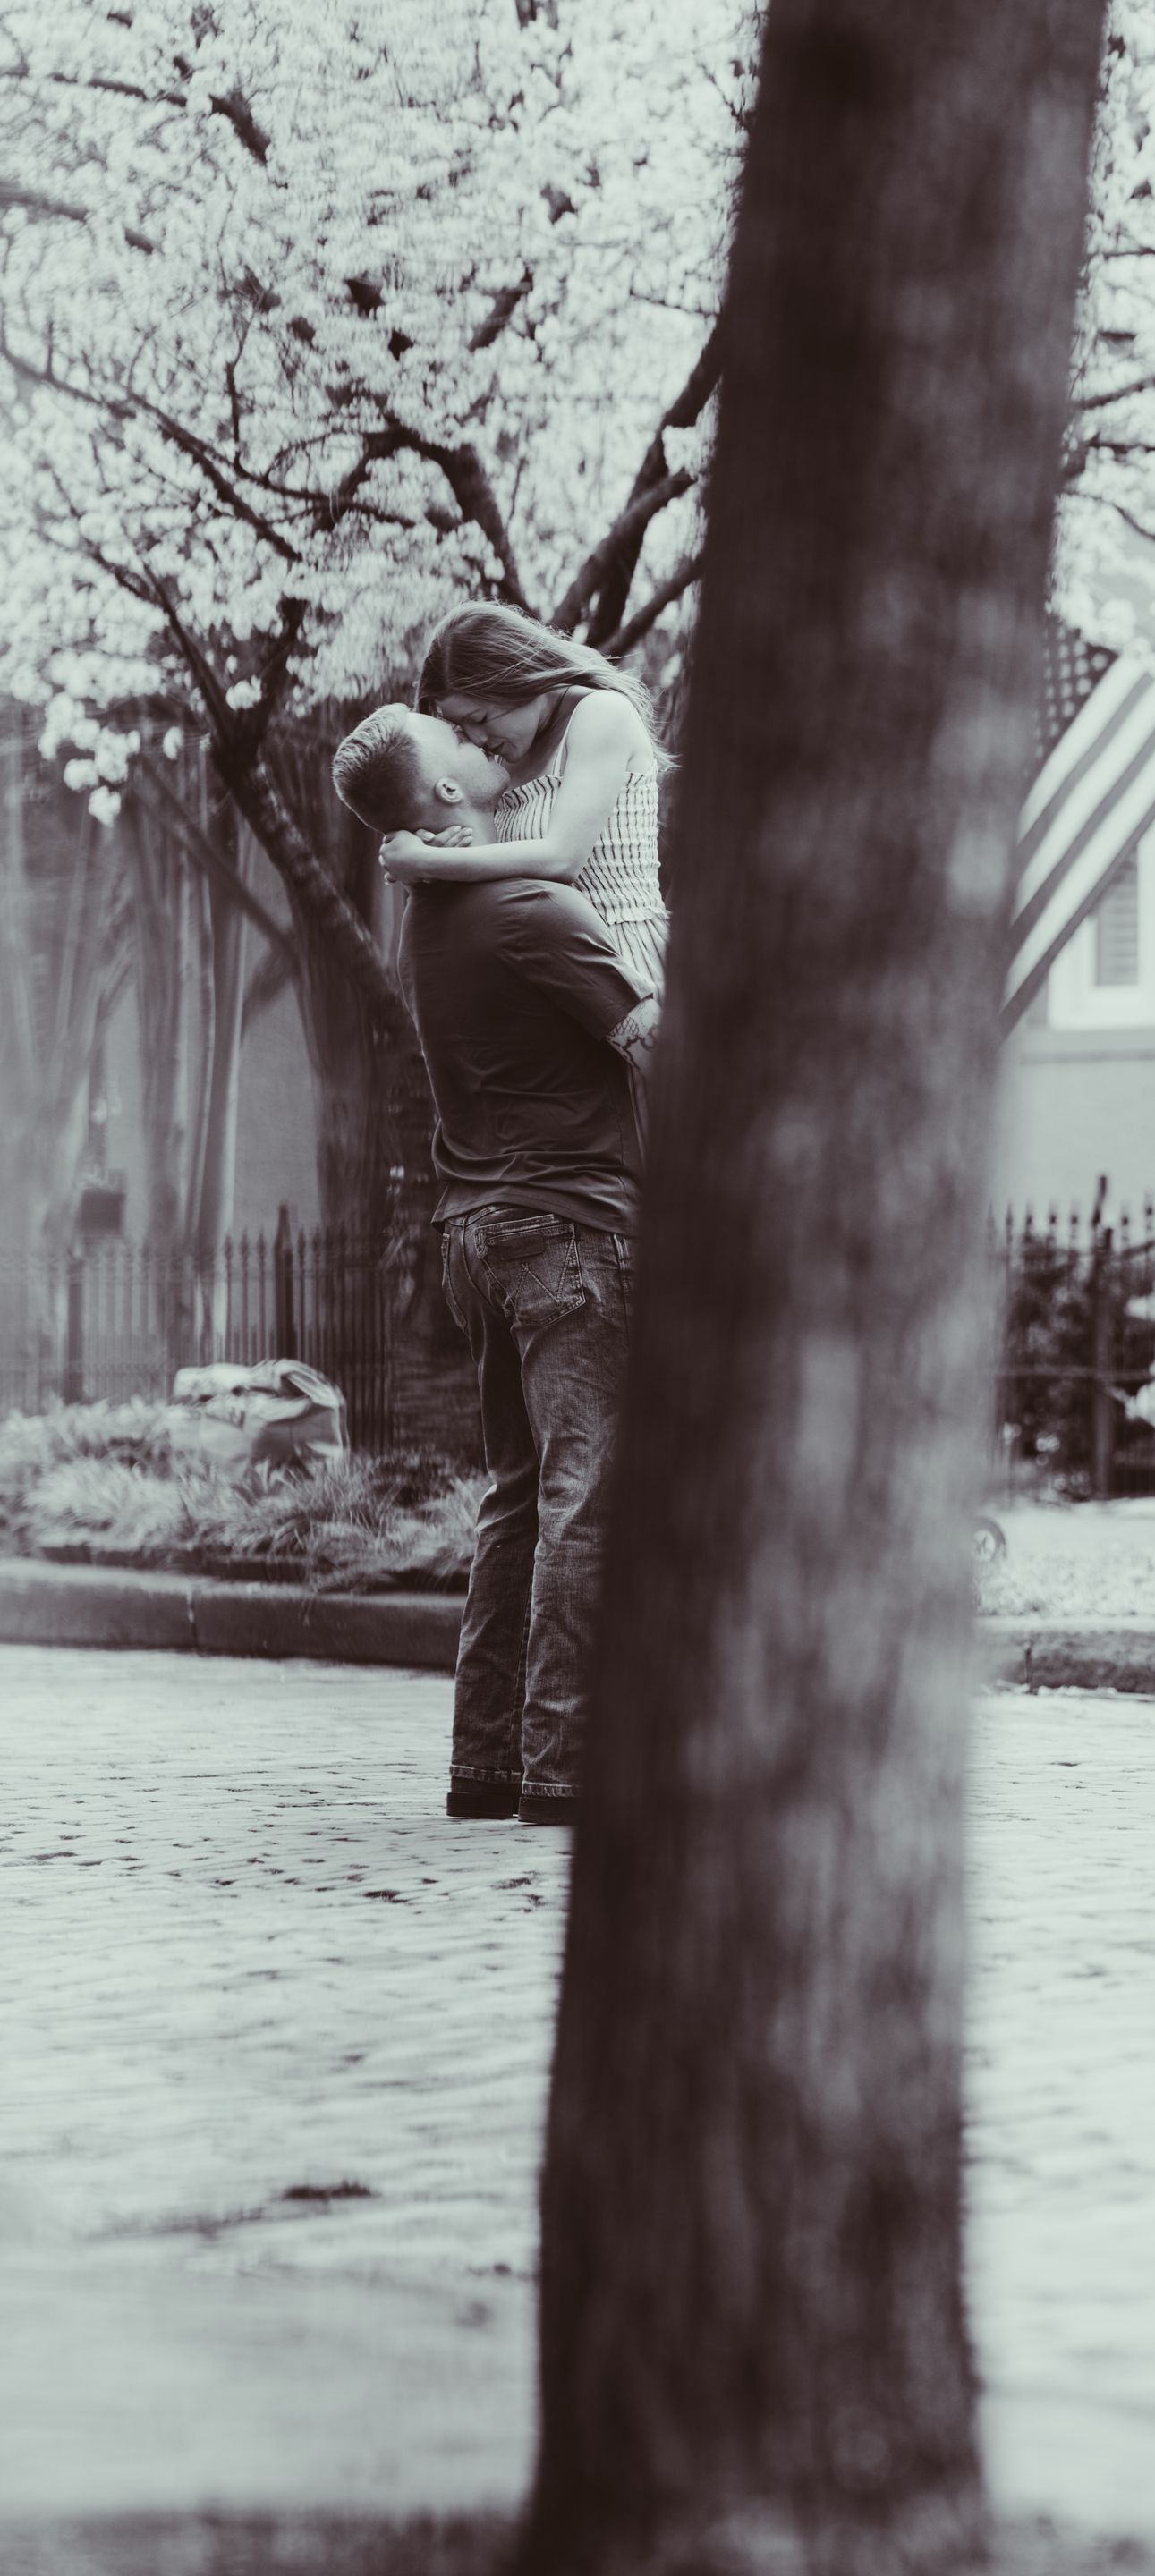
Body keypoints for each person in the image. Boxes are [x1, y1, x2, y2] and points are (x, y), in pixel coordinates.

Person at [331, 706, 658, 1828]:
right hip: (569, 1230)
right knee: (587, 1499)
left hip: (478, 1233)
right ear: (449, 796)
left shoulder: (431, 912)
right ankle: (565, 1773)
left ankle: (487, 1768)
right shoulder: (528, 908)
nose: (480, 741)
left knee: (516, 1502)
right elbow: (657, 1045)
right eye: (453, 740)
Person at [375, 604, 671, 996]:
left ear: (515, 675)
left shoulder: (601, 715)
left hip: (622, 959)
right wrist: (431, 855)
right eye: (461, 728)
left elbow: (561, 858)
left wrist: (429, 860)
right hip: (540, 972)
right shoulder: (498, 761)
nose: (477, 738)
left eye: (479, 718)